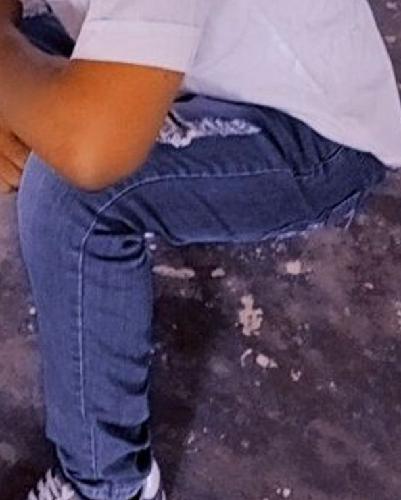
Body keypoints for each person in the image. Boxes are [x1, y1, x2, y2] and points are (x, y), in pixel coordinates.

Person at [0, 0, 399, 498]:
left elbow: (92, 151)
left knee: (68, 197)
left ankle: (107, 484)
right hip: (195, 64)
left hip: (311, 130)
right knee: (33, 92)